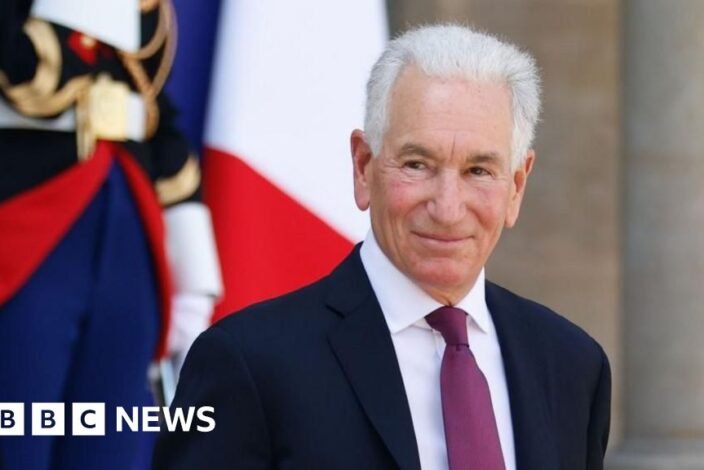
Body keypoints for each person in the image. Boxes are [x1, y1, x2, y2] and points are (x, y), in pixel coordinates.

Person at [153, 24, 610, 470]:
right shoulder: (247, 364)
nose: (448, 208)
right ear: (363, 166)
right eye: (417, 164)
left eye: (478, 171)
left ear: (517, 186)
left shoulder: (572, 366)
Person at [0, 0, 221, 468]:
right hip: (23, 225)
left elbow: (153, 108)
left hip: (127, 229)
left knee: (106, 448)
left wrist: (194, 280)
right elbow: (21, 67)